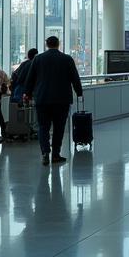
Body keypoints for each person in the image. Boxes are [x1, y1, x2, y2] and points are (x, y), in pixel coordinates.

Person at [25, 35, 83, 165]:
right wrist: (79, 92)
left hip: (42, 99)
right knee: (59, 127)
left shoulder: (38, 59)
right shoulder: (67, 59)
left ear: (47, 45)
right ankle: (56, 154)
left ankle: (45, 152)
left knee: (43, 126)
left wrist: (27, 93)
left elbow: (30, 78)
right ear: (58, 44)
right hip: (62, 100)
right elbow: (75, 77)